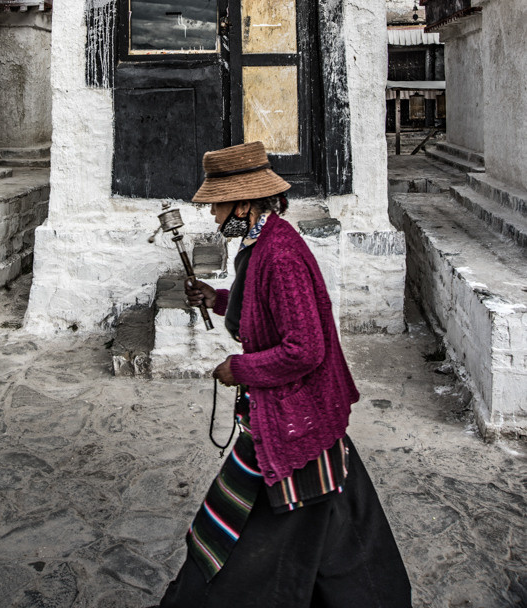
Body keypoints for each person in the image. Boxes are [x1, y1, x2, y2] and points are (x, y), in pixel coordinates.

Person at [156, 141, 411, 608]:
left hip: (295, 414)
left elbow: (305, 348)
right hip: (301, 413)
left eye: (216, 203)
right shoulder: (260, 245)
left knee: (253, 532)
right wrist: (214, 298)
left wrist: (240, 368)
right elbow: (259, 306)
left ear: (245, 201)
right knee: (333, 516)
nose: (212, 214)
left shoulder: (281, 254)